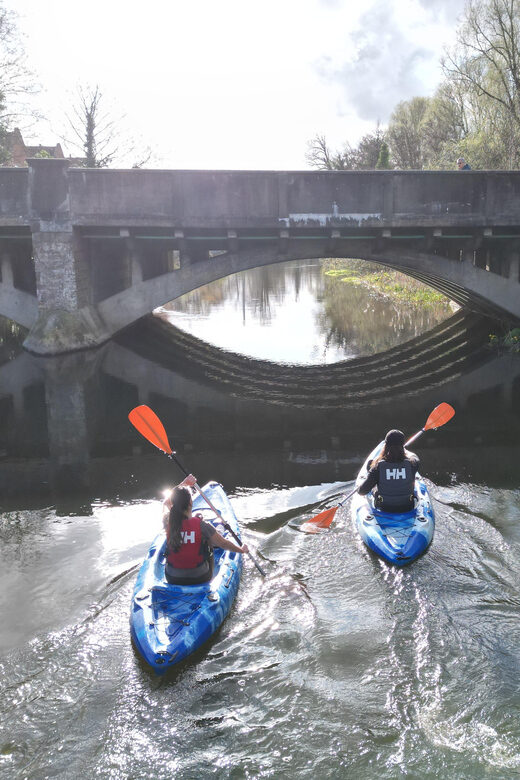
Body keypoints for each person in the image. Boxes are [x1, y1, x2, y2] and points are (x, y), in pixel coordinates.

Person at [162, 474, 248, 585]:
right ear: (190, 503)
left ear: (174, 504)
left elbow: (165, 503)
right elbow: (224, 544)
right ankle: (218, 529)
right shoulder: (202, 525)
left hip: (172, 577)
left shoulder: (167, 521)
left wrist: (183, 484)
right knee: (208, 540)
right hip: (200, 577)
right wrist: (242, 550)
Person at [357, 429, 419, 513]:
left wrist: (371, 471)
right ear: (402, 446)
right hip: (408, 507)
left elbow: (362, 492)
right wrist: (405, 450)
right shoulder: (413, 464)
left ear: (385, 446)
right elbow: (414, 457)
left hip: (384, 508)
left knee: (374, 487)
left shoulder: (377, 467)